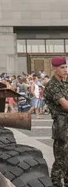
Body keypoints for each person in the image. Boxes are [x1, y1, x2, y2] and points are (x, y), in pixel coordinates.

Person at [44, 57, 68, 186]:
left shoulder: (64, 84)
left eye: (65, 67)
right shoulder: (52, 85)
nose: (65, 70)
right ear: (54, 69)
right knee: (61, 159)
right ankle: (56, 183)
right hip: (62, 125)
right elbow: (65, 105)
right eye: (62, 68)